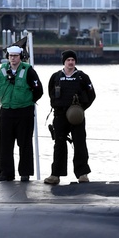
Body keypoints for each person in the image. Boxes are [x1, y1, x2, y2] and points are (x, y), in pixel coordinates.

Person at [0, 44, 43, 182]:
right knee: (5, 144)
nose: (13, 58)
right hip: (6, 111)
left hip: (24, 111)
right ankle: (6, 173)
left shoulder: (28, 70)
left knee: (25, 143)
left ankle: (25, 173)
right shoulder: (2, 70)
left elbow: (38, 90)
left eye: (15, 56)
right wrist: (4, 99)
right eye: (10, 56)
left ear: (21, 57)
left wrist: (27, 101)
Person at [45, 50, 96, 185]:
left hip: (76, 116)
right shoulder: (56, 77)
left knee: (80, 143)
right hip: (60, 115)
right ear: (64, 61)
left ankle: (82, 173)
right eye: (68, 60)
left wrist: (80, 109)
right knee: (59, 143)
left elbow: (92, 95)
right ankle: (55, 174)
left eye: (73, 60)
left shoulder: (82, 77)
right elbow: (50, 93)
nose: (71, 62)